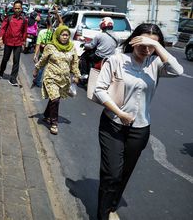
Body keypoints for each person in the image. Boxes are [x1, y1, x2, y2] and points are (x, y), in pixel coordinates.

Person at [94, 23, 183, 220]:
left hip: (140, 129)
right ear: (134, 40)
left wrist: (157, 47)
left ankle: (112, 205)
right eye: (143, 42)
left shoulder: (155, 64)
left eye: (152, 44)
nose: (146, 48)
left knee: (125, 172)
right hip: (113, 125)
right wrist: (120, 113)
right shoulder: (116, 60)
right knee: (112, 173)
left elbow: (177, 70)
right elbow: (99, 90)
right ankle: (102, 215)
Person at [32, 25, 80, 135]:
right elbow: (43, 59)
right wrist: (36, 69)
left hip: (64, 79)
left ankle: (46, 115)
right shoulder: (50, 47)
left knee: (55, 97)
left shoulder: (72, 47)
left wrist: (77, 75)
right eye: (63, 35)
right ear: (58, 35)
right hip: (51, 77)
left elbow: (75, 63)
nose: (65, 37)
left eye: (67, 35)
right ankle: (54, 123)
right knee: (55, 99)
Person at [0, 0, 28, 86]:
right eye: (15, 8)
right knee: (5, 59)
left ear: (21, 9)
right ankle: (1, 72)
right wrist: (0, 38)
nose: (17, 10)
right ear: (13, 9)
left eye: (19, 8)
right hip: (8, 41)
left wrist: (24, 42)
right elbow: (3, 28)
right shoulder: (9, 18)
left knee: (16, 61)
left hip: (18, 43)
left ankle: (13, 78)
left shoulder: (24, 20)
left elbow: (25, 32)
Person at [33, 6, 63, 87]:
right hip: (52, 53)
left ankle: (38, 81)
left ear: (46, 23)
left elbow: (38, 44)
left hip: (44, 52)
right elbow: (61, 23)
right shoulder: (56, 32)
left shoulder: (42, 32)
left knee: (41, 67)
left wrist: (35, 55)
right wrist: (56, 13)